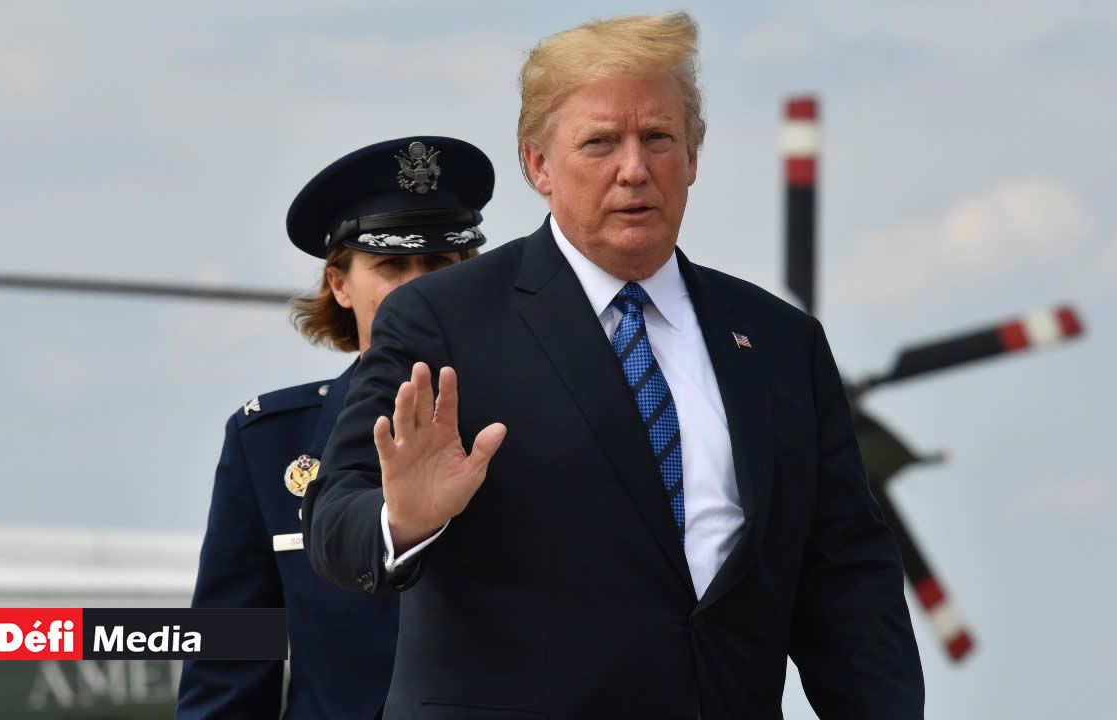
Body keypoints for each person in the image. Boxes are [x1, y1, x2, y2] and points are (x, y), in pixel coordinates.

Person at [304, 14, 925, 720]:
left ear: (693, 156)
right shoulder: (442, 319)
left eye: (658, 138)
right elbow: (336, 518)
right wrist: (402, 520)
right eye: (600, 143)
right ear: (539, 165)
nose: (635, 170)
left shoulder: (781, 341)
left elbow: (846, 580)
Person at [177, 136, 494, 719]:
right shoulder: (269, 442)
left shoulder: (529, 424)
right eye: (391, 265)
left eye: (439, 265)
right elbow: (229, 662)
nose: (418, 287)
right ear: (340, 285)